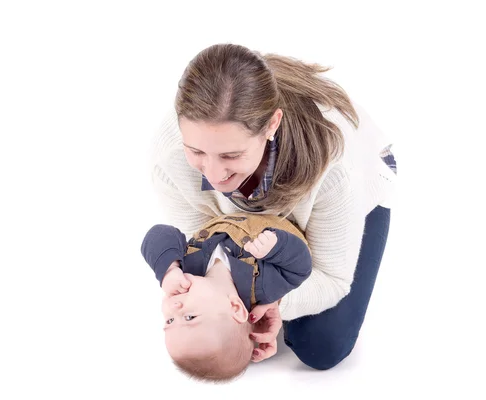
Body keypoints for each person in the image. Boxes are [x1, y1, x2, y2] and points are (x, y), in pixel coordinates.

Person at [148, 43, 397, 371]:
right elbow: (204, 236)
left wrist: (276, 303)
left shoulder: (338, 171)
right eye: (196, 152)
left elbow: (332, 278)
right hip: (263, 230)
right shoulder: (170, 155)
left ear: (271, 125)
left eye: (230, 156)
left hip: (354, 188)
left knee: (322, 345)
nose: (213, 174)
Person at [140, 212, 312, 381]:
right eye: (189, 317)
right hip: (280, 214)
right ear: (235, 308)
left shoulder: (187, 269)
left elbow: (160, 233)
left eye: (169, 320)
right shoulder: (262, 287)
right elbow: (300, 268)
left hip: (235, 206)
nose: (174, 307)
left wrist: (169, 269)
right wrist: (276, 247)